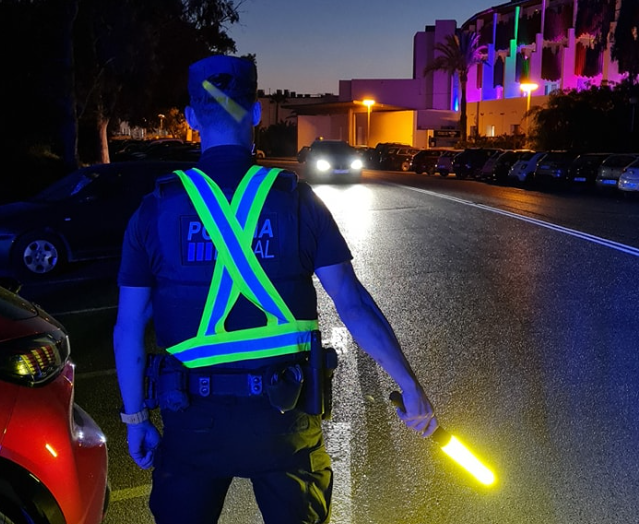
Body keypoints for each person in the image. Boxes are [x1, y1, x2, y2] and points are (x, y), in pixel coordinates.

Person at [113, 54, 437, 524]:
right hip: (285, 423)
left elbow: (128, 330)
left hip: (192, 425)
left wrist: (135, 420)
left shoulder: (154, 211)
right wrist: (408, 385)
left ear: (189, 118)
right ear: (259, 114)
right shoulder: (297, 200)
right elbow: (353, 304)